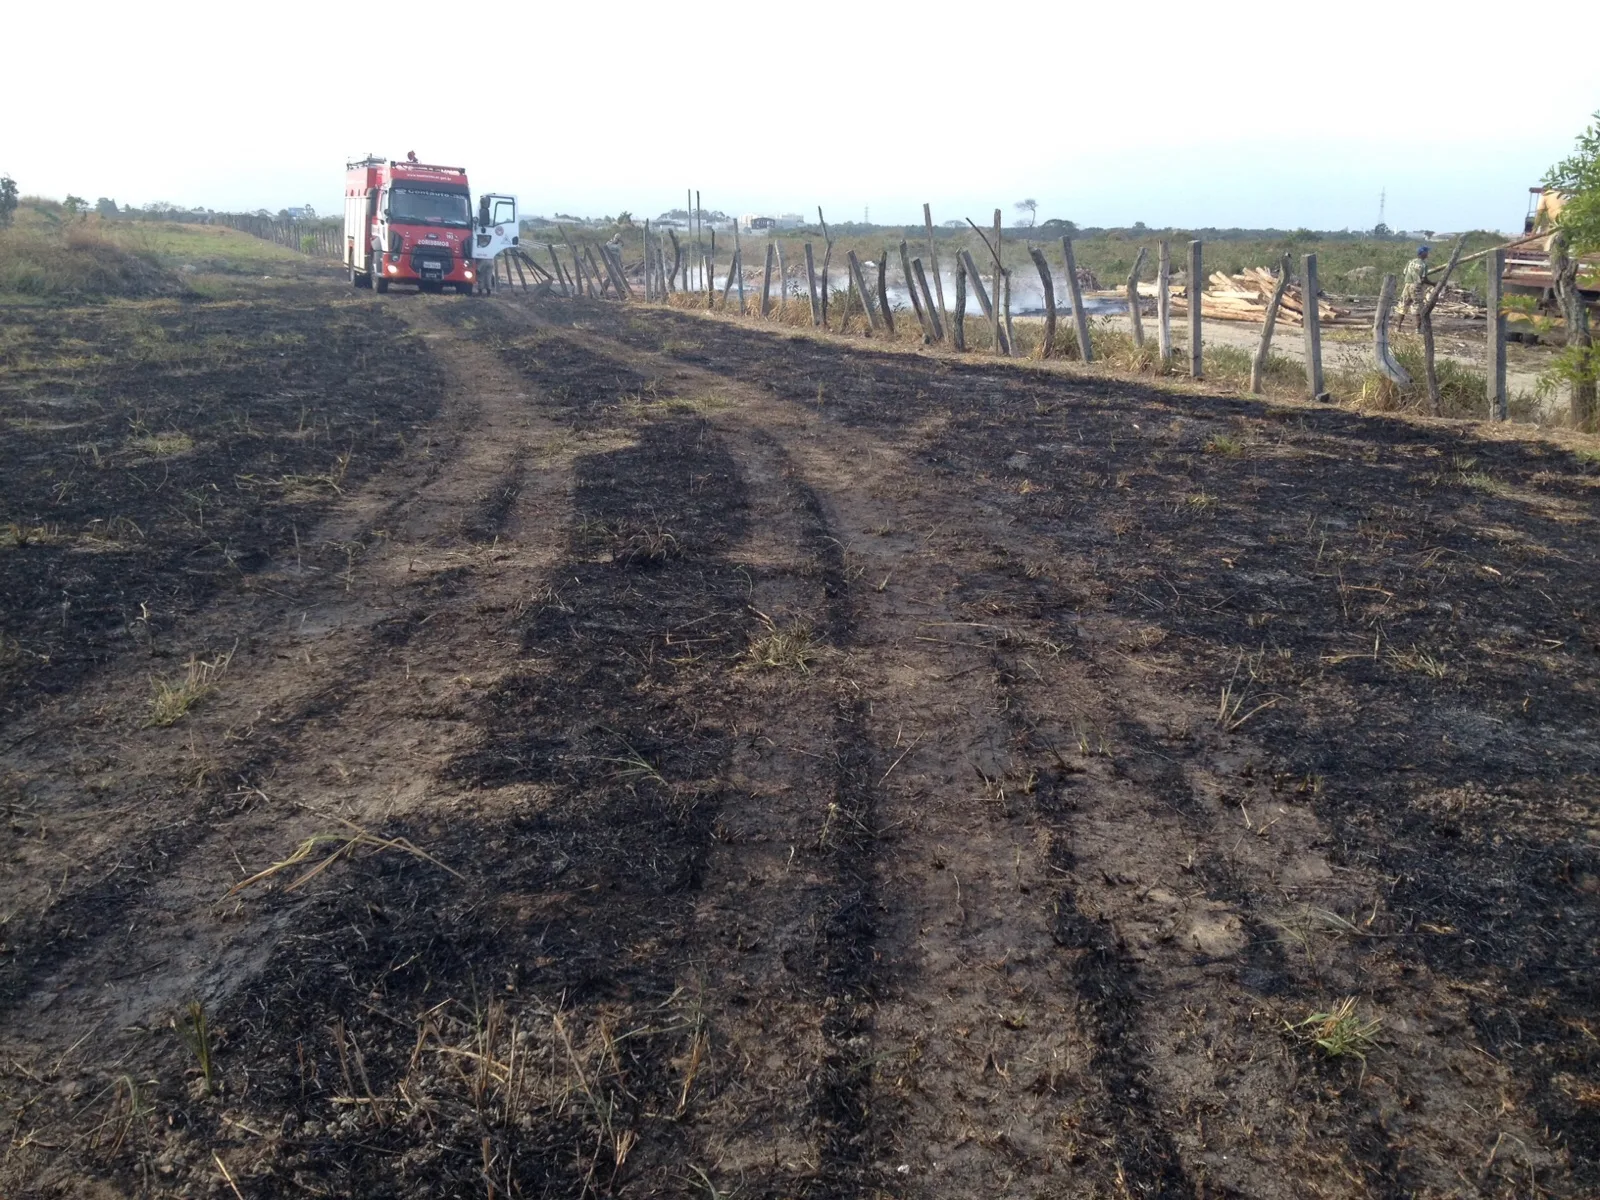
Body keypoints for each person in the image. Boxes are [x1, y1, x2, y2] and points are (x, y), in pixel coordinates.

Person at [1393, 244, 1431, 333]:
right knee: (1418, 306)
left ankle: (1397, 327)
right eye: (1426, 252)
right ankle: (1418, 329)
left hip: (1407, 285)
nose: (1428, 254)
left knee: (1403, 305)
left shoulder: (1410, 262)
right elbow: (1424, 279)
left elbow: (1404, 273)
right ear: (1423, 253)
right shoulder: (1423, 265)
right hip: (1416, 286)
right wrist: (1433, 283)